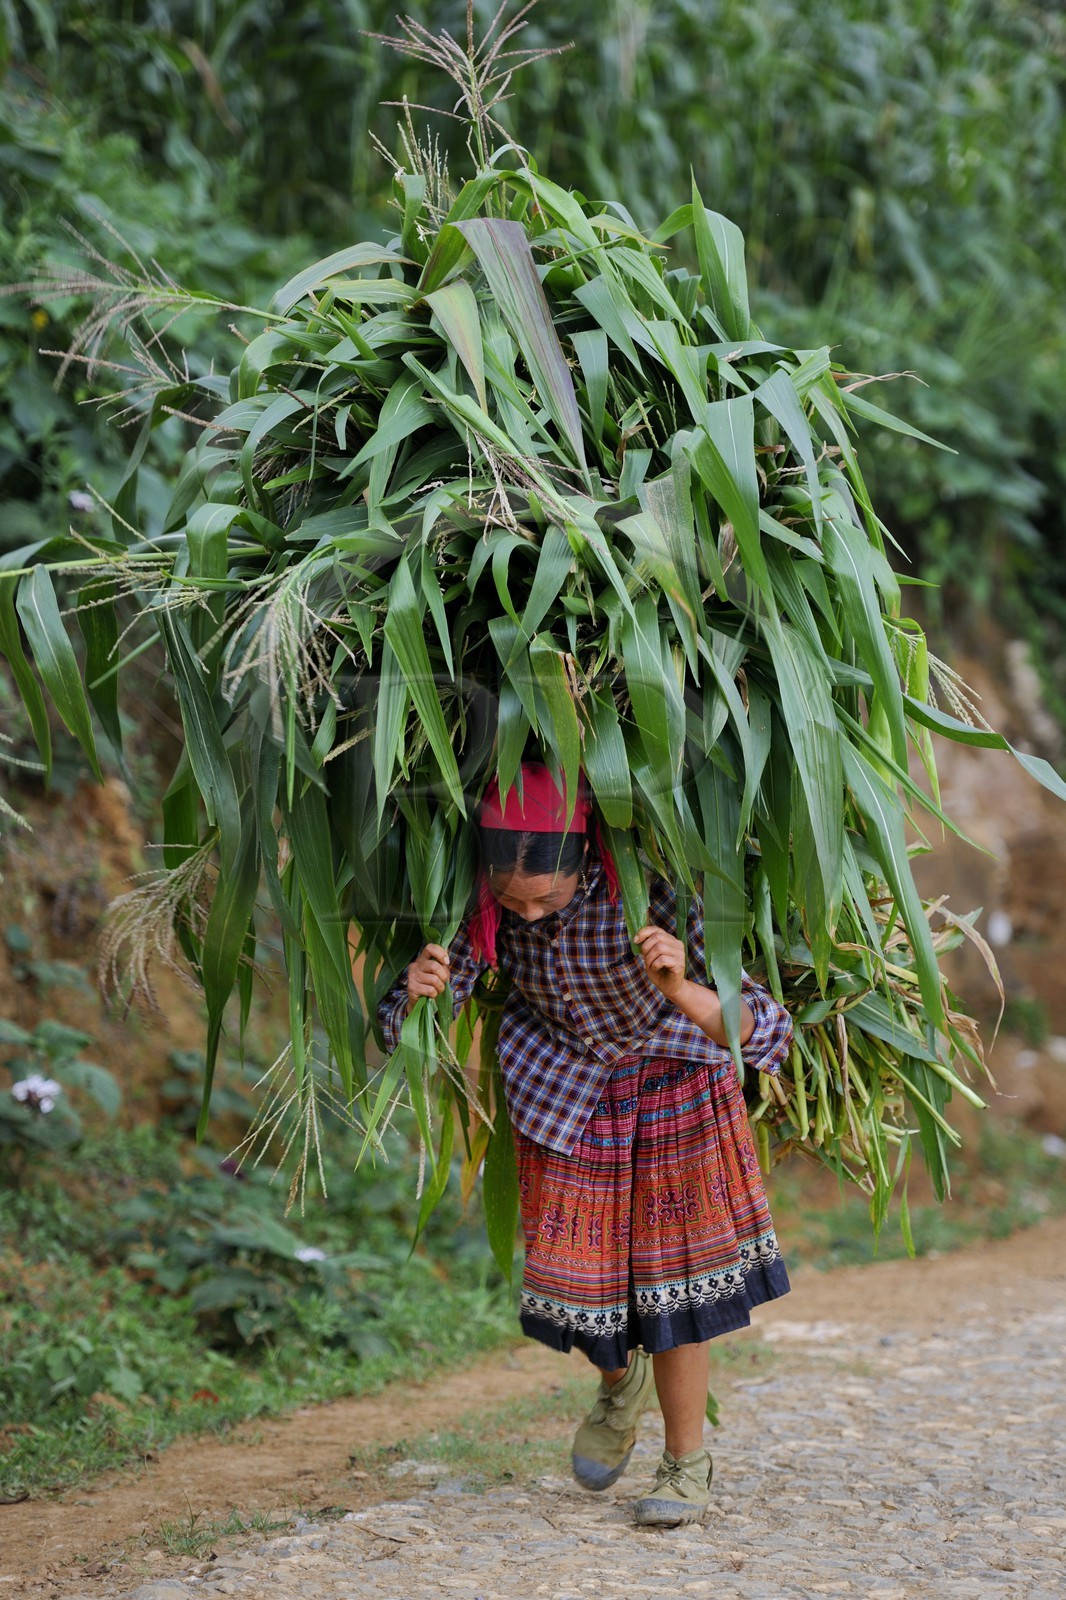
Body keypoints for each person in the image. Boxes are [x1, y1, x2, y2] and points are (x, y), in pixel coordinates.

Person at [377, 763, 793, 1527]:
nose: (528, 915)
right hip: (568, 1093)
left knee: (678, 1286)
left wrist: (680, 987)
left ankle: (685, 1463)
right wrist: (417, 990)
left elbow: (767, 1033)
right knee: (578, 1283)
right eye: (513, 902)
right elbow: (403, 1027)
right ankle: (616, 1382)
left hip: (676, 1083)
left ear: (587, 858)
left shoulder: (657, 891)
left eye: (547, 898)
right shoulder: (485, 907)